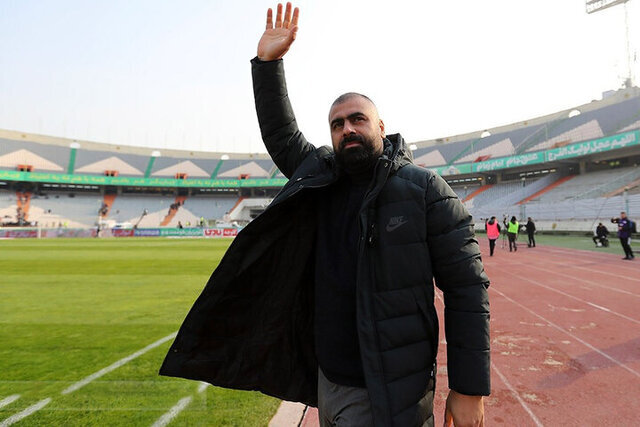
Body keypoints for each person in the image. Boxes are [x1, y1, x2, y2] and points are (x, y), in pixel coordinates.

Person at [160, 4, 490, 426]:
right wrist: (267, 64)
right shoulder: (322, 180)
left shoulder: (425, 190)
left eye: (358, 119)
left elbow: (467, 290)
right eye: (337, 124)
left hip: (389, 390)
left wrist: (468, 388)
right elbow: (282, 136)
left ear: (381, 126)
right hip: (327, 384)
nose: (347, 129)